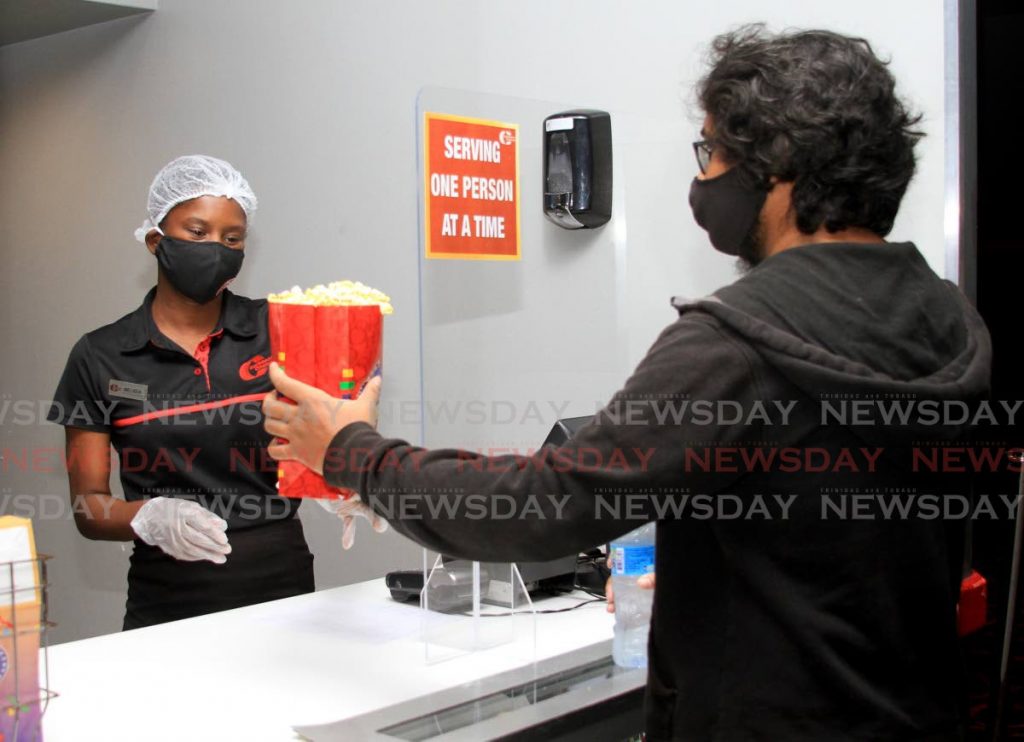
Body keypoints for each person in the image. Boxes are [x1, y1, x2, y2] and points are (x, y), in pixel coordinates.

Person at [263, 26, 991, 741]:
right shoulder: (948, 320)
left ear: (776, 165)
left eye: (711, 153)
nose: (702, 181)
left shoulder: (735, 343)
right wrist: (714, 578)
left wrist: (355, 453)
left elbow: (547, 503)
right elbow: (848, 534)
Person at [49, 155, 322, 630]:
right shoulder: (100, 355)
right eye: (197, 232)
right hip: (167, 604)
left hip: (283, 596)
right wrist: (149, 517)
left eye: (231, 238)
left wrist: (350, 477)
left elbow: (330, 429)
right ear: (156, 241)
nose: (216, 247)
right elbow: (89, 506)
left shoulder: (278, 328)